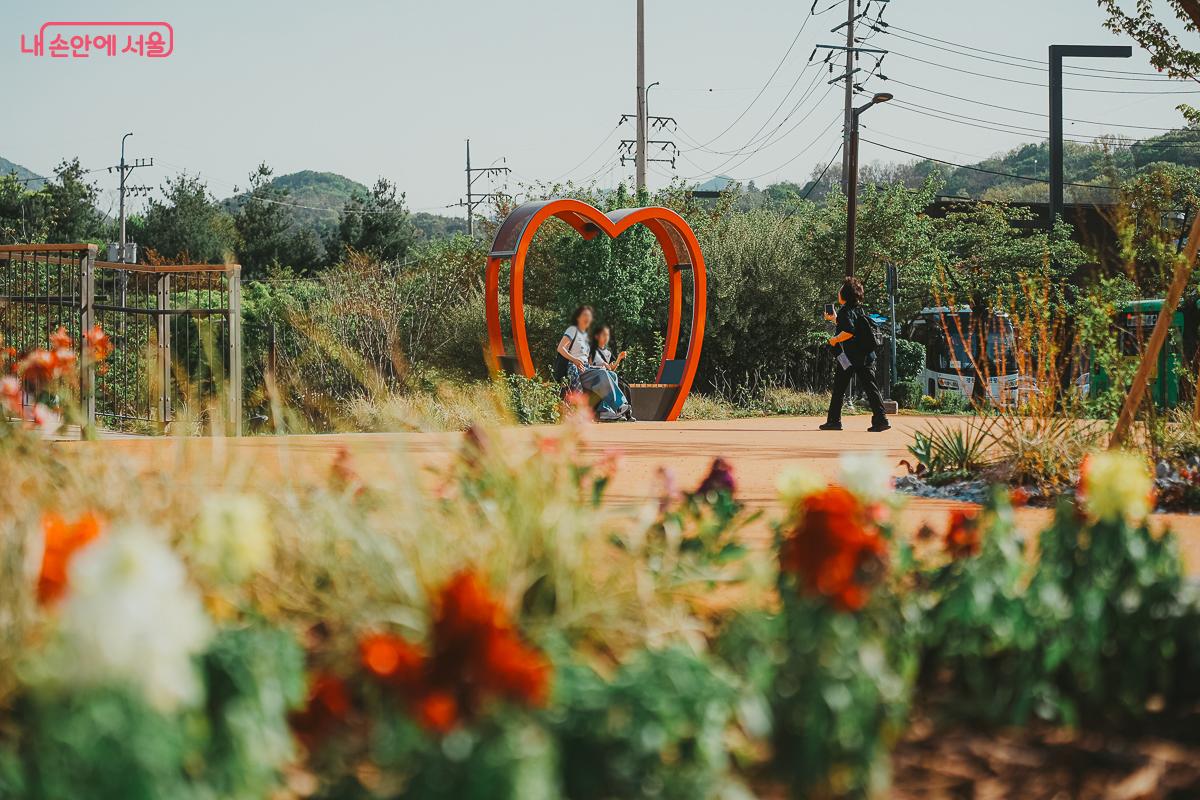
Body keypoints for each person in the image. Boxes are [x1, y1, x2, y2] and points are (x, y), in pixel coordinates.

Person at [820, 276, 890, 433]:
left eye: (840, 290)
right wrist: (834, 319)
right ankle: (881, 419)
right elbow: (849, 325)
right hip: (866, 356)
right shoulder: (858, 309)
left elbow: (849, 332)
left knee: (839, 388)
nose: (838, 292)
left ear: (844, 294)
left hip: (851, 357)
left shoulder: (845, 311)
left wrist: (834, 340)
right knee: (871, 388)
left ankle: (834, 421)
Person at [555, 307, 631, 421]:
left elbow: (588, 360)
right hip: (574, 368)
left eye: (589, 316)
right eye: (585, 315)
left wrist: (599, 366)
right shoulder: (572, 330)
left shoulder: (586, 337)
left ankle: (605, 411)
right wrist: (574, 359)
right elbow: (560, 348)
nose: (587, 318)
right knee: (602, 374)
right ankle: (620, 405)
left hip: (585, 368)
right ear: (578, 317)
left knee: (612, 374)